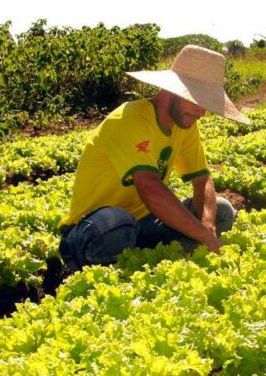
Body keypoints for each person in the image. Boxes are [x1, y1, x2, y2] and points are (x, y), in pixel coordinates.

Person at [58, 44, 251, 271]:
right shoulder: (130, 119)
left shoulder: (185, 124)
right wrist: (202, 235)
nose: (203, 113)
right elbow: (150, 188)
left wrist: (207, 225)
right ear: (174, 92)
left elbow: (202, 180)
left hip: (144, 224)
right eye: (198, 102)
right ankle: (94, 270)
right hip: (91, 230)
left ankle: (147, 266)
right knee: (117, 224)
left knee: (222, 210)